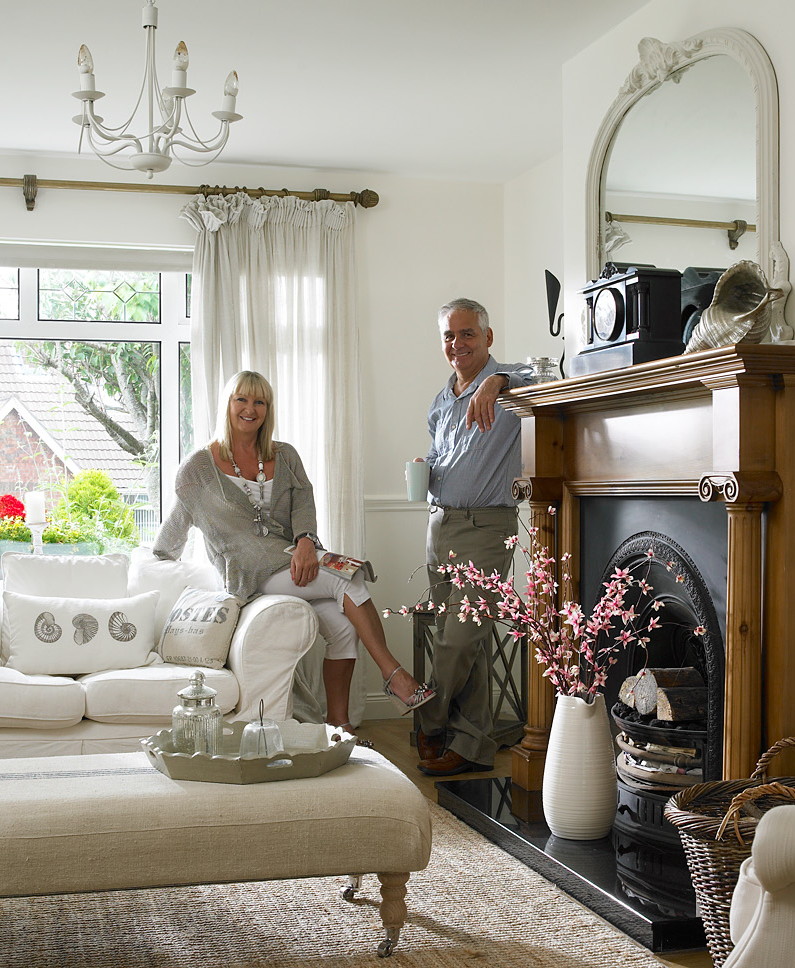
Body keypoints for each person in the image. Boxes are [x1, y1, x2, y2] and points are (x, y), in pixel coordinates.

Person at [153, 370, 432, 735]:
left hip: (294, 560)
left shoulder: (284, 455)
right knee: (348, 580)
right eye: (242, 399)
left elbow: (303, 502)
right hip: (251, 574)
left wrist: (305, 541)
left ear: (268, 409)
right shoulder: (199, 468)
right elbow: (174, 528)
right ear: (228, 404)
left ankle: (338, 727)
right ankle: (394, 675)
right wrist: (158, 567)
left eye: (260, 402)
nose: (250, 409)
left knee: (343, 628)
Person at [415, 298, 535, 776]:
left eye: (467, 333)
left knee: (460, 639)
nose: (457, 344)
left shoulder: (508, 387)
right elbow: (440, 452)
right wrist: (427, 467)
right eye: (449, 335)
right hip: (439, 524)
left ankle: (428, 720)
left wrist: (498, 380)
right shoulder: (440, 401)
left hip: (486, 528)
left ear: (487, 337)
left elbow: (548, 375)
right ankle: (471, 745)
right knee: (469, 640)